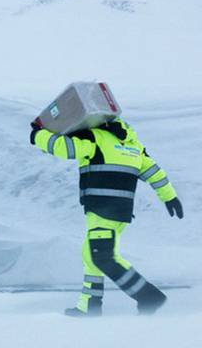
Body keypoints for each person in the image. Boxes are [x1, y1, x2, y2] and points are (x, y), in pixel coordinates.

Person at [29, 118, 183, 317]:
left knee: (103, 257)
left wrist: (38, 135)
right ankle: (90, 306)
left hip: (102, 209)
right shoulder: (132, 145)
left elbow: (64, 148)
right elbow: (154, 172)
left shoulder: (95, 137)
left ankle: (147, 296)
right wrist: (169, 196)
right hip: (120, 211)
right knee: (90, 253)